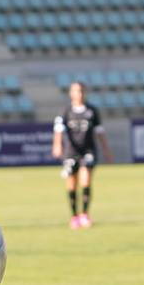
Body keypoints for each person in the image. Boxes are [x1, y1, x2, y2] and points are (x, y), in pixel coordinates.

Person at [52, 81, 113, 229]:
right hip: (71, 152)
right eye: (76, 91)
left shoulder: (92, 111)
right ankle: (74, 216)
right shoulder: (66, 111)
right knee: (72, 185)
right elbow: (58, 130)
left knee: (86, 181)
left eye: (81, 91)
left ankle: (85, 214)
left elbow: (100, 132)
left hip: (88, 151)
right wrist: (57, 145)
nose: (79, 94)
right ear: (71, 93)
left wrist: (106, 150)